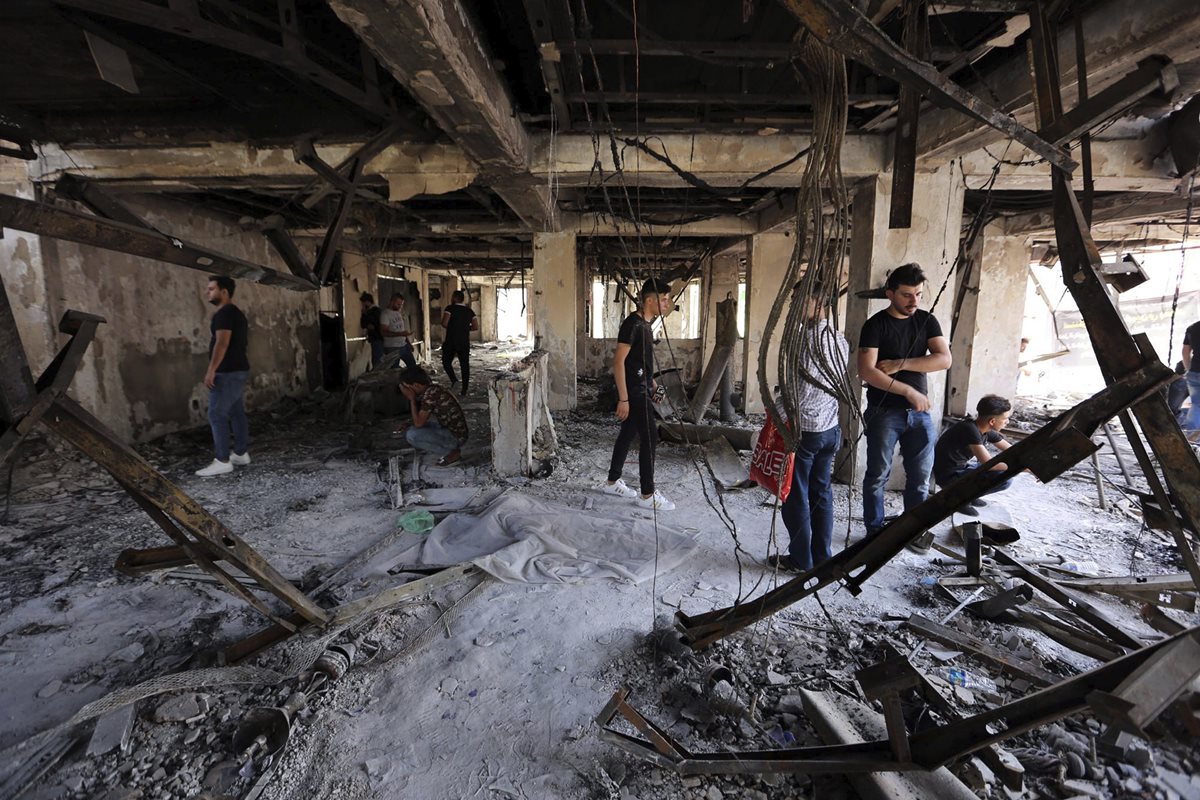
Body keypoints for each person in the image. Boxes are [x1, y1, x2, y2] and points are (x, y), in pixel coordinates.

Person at [857, 262, 952, 535]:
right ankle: (874, 532)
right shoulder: (875, 325)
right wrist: (908, 391)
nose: (914, 301)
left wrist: (901, 364)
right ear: (890, 294)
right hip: (884, 411)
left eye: (918, 294)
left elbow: (944, 359)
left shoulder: (926, 320)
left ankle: (912, 532)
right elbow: (867, 371)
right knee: (877, 475)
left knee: (920, 478)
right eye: (907, 295)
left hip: (919, 413)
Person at [769, 283, 849, 573]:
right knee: (821, 492)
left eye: (798, 300)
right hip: (830, 429)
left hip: (806, 431)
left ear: (819, 302)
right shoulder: (839, 339)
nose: (793, 306)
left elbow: (799, 396)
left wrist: (775, 414)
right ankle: (822, 557)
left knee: (795, 495)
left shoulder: (807, 341)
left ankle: (801, 559)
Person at [602, 278, 675, 511]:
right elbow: (619, 362)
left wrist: (653, 385)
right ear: (650, 300)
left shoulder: (646, 325)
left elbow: (638, 363)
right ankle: (647, 495)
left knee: (627, 433)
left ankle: (612, 482)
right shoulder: (632, 324)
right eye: (664, 299)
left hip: (642, 387)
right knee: (650, 437)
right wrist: (623, 399)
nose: (667, 304)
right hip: (633, 392)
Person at [196, 275, 251, 477]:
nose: (207, 292)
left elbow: (222, 343)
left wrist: (211, 370)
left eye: (211, 289)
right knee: (236, 412)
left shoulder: (225, 314)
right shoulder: (236, 313)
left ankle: (222, 460)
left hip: (227, 372)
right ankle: (241, 454)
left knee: (216, 414)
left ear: (224, 292)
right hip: (238, 370)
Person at [933, 395, 1014, 516]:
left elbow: (1013, 450)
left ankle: (969, 495)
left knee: (1002, 470)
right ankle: (956, 499)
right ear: (992, 421)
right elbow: (990, 464)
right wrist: (1021, 467)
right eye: (1005, 419)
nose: (1007, 422)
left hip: (961, 469)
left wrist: (1031, 466)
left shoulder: (984, 430)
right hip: (948, 476)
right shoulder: (969, 429)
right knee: (1004, 478)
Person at [398, 366, 469, 465]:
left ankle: (451, 454)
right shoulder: (432, 389)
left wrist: (411, 399)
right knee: (411, 428)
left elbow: (419, 423)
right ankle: (451, 450)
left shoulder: (430, 395)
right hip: (454, 430)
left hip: (456, 437)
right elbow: (422, 417)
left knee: (412, 435)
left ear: (416, 385)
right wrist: (409, 423)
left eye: (407, 388)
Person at [441, 290, 478, 396]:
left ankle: (454, 381)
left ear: (454, 298)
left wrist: (454, 327)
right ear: (463, 299)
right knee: (464, 365)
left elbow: (444, 323)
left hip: (451, 341)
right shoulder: (470, 311)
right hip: (463, 342)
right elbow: (475, 327)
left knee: (446, 362)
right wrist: (464, 328)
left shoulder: (450, 309)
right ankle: (464, 390)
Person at [381, 293, 417, 370]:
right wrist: (400, 334)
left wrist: (408, 343)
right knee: (394, 370)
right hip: (392, 347)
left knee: (413, 367)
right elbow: (384, 332)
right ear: (392, 302)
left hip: (404, 345)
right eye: (398, 304)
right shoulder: (385, 314)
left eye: (401, 304)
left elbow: (402, 330)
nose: (400, 306)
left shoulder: (398, 313)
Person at [1181, 322, 1200, 437]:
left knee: (1196, 405)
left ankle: (1192, 439)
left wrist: (1188, 369)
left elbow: (1185, 352)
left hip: (1195, 372)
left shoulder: (1192, 328)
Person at [360, 292, 384, 368]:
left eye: (363, 303)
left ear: (367, 302)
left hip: (377, 338)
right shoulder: (367, 311)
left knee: (377, 360)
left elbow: (376, 324)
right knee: (375, 359)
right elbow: (363, 325)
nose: (362, 304)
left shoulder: (376, 311)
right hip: (373, 338)